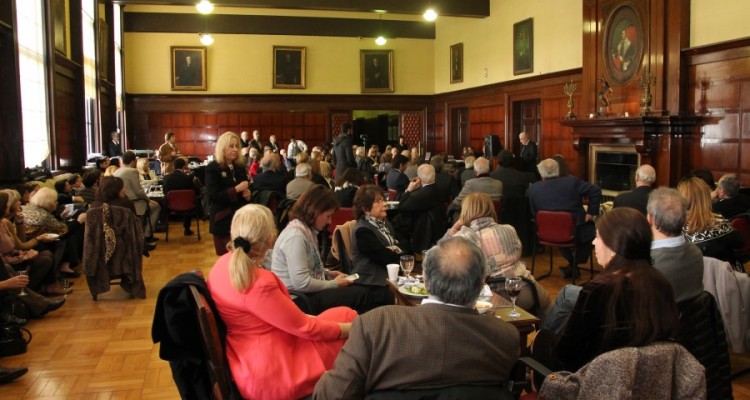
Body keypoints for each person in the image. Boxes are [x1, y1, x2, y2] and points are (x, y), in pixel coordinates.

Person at [314, 236, 520, 398]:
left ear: (426, 282)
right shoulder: (506, 337)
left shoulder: (375, 325)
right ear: (480, 285)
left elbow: (334, 395)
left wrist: (324, 378)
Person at [207, 204, 357, 400]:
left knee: (344, 315)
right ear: (270, 237)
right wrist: (352, 329)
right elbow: (305, 328)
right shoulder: (258, 282)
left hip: (247, 357)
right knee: (350, 322)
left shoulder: (223, 264)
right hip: (271, 372)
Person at [553, 207, 679, 372]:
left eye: (597, 236)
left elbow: (565, 356)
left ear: (613, 245)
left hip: (595, 381)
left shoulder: (596, 292)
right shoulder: (662, 284)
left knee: (541, 341)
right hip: (648, 378)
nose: (593, 242)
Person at [271, 185, 372, 315]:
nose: (329, 221)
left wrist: (327, 273)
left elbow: (305, 269)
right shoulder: (296, 236)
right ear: (315, 211)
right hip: (297, 301)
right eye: (328, 216)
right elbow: (302, 283)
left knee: (356, 289)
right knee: (361, 295)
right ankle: (359, 330)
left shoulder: (304, 231)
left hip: (301, 296)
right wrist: (334, 284)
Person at [446, 192, 551, 316]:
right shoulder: (509, 229)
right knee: (548, 304)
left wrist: (454, 229)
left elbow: (438, 255)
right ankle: (546, 334)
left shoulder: (461, 238)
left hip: (488, 297)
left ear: (464, 213)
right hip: (524, 291)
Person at [528, 158, 602, 278]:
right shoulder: (571, 182)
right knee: (589, 231)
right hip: (575, 231)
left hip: (546, 233)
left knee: (565, 230)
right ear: (558, 170)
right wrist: (591, 212)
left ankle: (572, 266)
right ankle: (575, 264)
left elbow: (534, 213)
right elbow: (596, 191)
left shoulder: (533, 189)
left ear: (540, 173)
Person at [1, 192, 65, 296]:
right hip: (7, 261)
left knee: (47, 253)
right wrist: (37, 239)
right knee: (48, 252)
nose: (21, 203)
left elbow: (20, 241)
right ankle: (31, 292)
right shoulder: (5, 222)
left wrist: (19, 222)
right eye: (17, 201)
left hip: (13, 255)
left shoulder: (6, 222)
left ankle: (43, 288)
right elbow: (20, 245)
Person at [350, 185, 404, 306]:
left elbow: (404, 246)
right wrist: (394, 249)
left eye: (384, 199)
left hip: (387, 278)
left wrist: (393, 249)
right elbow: (386, 258)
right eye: (378, 202)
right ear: (365, 209)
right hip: (371, 284)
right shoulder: (362, 231)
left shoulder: (384, 224)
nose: (385, 204)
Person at [648, 188, 704, 303]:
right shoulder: (697, 253)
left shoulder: (646, 264)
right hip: (694, 319)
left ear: (650, 219)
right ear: (684, 221)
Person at [205, 131, 252, 255]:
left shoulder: (240, 167)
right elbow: (213, 196)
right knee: (225, 260)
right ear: (222, 147)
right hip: (222, 220)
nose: (235, 149)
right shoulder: (212, 168)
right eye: (231, 146)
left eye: (237, 146)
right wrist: (236, 190)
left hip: (241, 221)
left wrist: (247, 195)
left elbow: (245, 190)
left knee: (242, 258)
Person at [677, 176, 742, 264]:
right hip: (726, 273)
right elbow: (740, 243)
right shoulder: (719, 220)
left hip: (695, 274)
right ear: (708, 196)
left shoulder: (676, 226)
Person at [392, 164, 448, 253]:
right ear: (434, 175)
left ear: (419, 178)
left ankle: (403, 249)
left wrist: (408, 190)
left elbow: (401, 207)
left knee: (396, 221)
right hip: (438, 225)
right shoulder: (442, 188)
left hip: (422, 228)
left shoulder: (417, 196)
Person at [114, 151, 161, 243]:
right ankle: (147, 235)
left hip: (120, 202)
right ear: (133, 161)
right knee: (156, 207)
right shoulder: (132, 171)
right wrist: (148, 200)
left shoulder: (117, 171)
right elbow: (138, 191)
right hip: (134, 202)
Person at [162, 158, 200, 236]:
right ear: (184, 166)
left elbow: (164, 192)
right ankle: (187, 228)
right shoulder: (188, 178)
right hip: (188, 206)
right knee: (188, 200)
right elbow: (197, 191)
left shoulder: (166, 178)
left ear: (173, 166)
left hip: (170, 206)